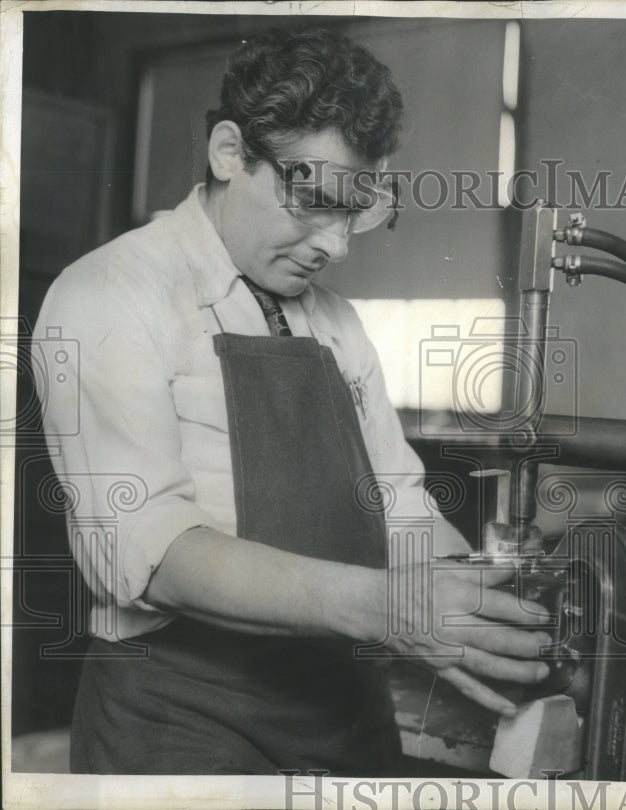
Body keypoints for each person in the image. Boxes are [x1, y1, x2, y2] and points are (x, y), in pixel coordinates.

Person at [33, 27, 551, 775]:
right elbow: (153, 553)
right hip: (180, 724)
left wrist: (486, 609)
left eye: (355, 213)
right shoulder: (111, 293)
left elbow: (400, 506)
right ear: (230, 154)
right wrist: (393, 610)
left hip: (343, 713)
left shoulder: (336, 323)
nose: (334, 246)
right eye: (312, 203)